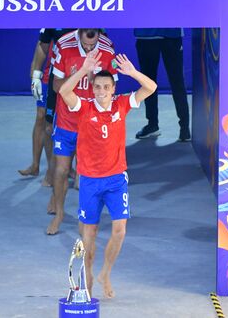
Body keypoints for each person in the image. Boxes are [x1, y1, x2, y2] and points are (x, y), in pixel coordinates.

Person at [59, 51, 157, 298]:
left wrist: (132, 72)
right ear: (92, 89)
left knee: (120, 231)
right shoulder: (84, 107)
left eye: (106, 87)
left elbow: (151, 87)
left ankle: (106, 273)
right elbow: (63, 92)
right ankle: (89, 279)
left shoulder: (122, 104)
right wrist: (83, 70)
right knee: (88, 236)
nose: (101, 91)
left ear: (113, 89)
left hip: (115, 179)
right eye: (98, 87)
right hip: (90, 181)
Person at [46, 28, 117, 235]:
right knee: (61, 169)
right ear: (79, 35)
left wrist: (95, 77)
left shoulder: (107, 48)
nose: (88, 48)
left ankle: (86, 217)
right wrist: (81, 73)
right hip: (67, 120)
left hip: (92, 123)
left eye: (91, 45)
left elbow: (111, 88)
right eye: (85, 45)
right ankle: (59, 214)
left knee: (89, 174)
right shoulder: (63, 44)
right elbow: (56, 84)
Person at [19, 28, 75, 186]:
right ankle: (38, 165)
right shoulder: (52, 14)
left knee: (72, 121)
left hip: (73, 73)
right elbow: (42, 45)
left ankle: (68, 168)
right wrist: (35, 75)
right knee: (42, 117)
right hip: (51, 75)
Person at [133, 28, 191, 141]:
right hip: (145, 34)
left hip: (171, 34)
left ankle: (184, 128)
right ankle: (152, 124)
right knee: (148, 84)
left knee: (177, 82)